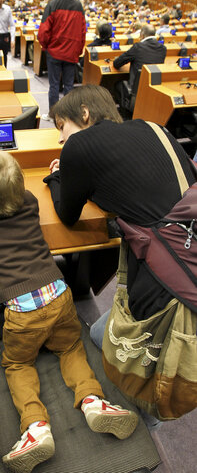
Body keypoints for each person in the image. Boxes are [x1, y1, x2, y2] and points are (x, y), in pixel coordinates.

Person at [0, 150, 138, 473]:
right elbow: (21, 193)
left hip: (22, 314)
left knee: (17, 363)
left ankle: (35, 426)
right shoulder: (28, 204)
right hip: (59, 295)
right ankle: (93, 400)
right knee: (70, 348)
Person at [43, 82, 196, 332]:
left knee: (97, 334)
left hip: (171, 279)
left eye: (62, 126)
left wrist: (56, 178)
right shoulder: (153, 127)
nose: (61, 138)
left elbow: (67, 215)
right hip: (189, 241)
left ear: (84, 113)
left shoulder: (78, 145)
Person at [37, 0, 85, 121]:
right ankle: (69, 116)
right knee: (69, 86)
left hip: (54, 52)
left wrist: (45, 47)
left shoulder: (52, 4)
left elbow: (43, 31)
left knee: (54, 85)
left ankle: (53, 115)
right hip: (71, 53)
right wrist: (77, 51)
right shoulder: (79, 6)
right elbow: (82, 32)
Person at [113, 24, 166, 94]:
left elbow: (117, 63)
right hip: (152, 89)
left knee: (117, 84)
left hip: (136, 90)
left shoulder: (138, 46)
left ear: (142, 35)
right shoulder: (163, 48)